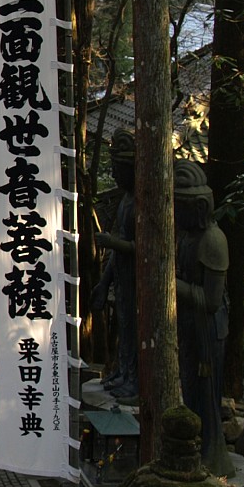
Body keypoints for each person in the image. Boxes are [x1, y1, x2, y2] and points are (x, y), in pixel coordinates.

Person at [172, 159, 232, 477]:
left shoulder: (213, 240)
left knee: (207, 394)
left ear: (198, 207)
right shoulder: (187, 237)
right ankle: (190, 449)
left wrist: (170, 280)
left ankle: (211, 453)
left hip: (209, 330)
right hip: (189, 324)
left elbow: (210, 300)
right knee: (190, 389)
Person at [92, 129, 138, 400]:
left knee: (134, 326)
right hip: (122, 276)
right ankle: (123, 370)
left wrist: (112, 242)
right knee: (123, 325)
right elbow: (120, 246)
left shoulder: (142, 202)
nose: (115, 175)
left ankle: (134, 377)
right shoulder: (125, 201)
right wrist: (104, 281)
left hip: (137, 278)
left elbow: (143, 248)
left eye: (119, 169)